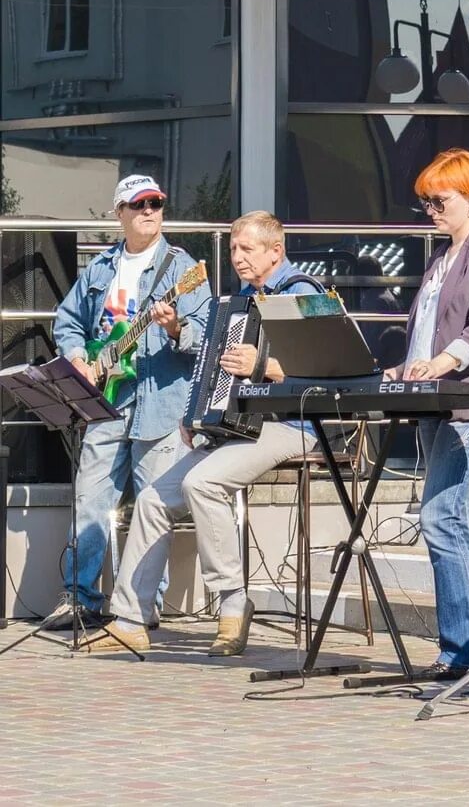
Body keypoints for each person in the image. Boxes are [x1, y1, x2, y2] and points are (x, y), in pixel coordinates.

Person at [84, 211, 325, 656]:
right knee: (155, 498)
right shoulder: (241, 301)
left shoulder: (304, 293)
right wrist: (197, 414)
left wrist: (264, 367)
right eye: (233, 249)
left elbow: (329, 368)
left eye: (246, 249)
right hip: (241, 426)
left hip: (294, 423)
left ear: (276, 251)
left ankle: (233, 603)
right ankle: (131, 620)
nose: (236, 257)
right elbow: (213, 367)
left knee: (203, 482)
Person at [47, 175, 211, 630]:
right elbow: (68, 322)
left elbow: (207, 336)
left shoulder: (183, 269)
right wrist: (80, 358)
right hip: (106, 399)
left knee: (153, 505)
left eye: (156, 203)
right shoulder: (100, 268)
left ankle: (142, 603)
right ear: (119, 212)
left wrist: (176, 328)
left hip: (160, 404)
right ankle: (79, 596)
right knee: (90, 497)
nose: (149, 211)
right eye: (138, 204)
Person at [383, 148, 469, 680]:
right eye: (425, 202)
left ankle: (463, 650)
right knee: (456, 520)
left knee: (440, 517)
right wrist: (406, 370)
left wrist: (441, 363)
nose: (431, 211)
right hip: (435, 399)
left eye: (438, 200)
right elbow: (427, 330)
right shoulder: (441, 258)